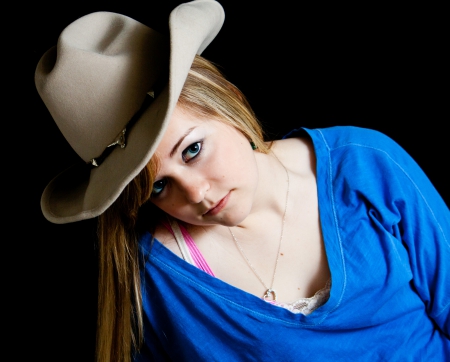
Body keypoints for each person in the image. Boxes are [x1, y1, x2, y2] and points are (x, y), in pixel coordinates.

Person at [34, 0, 449, 361]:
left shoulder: (365, 165)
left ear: (229, 100)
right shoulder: (157, 279)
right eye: (158, 187)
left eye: (192, 149)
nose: (195, 194)